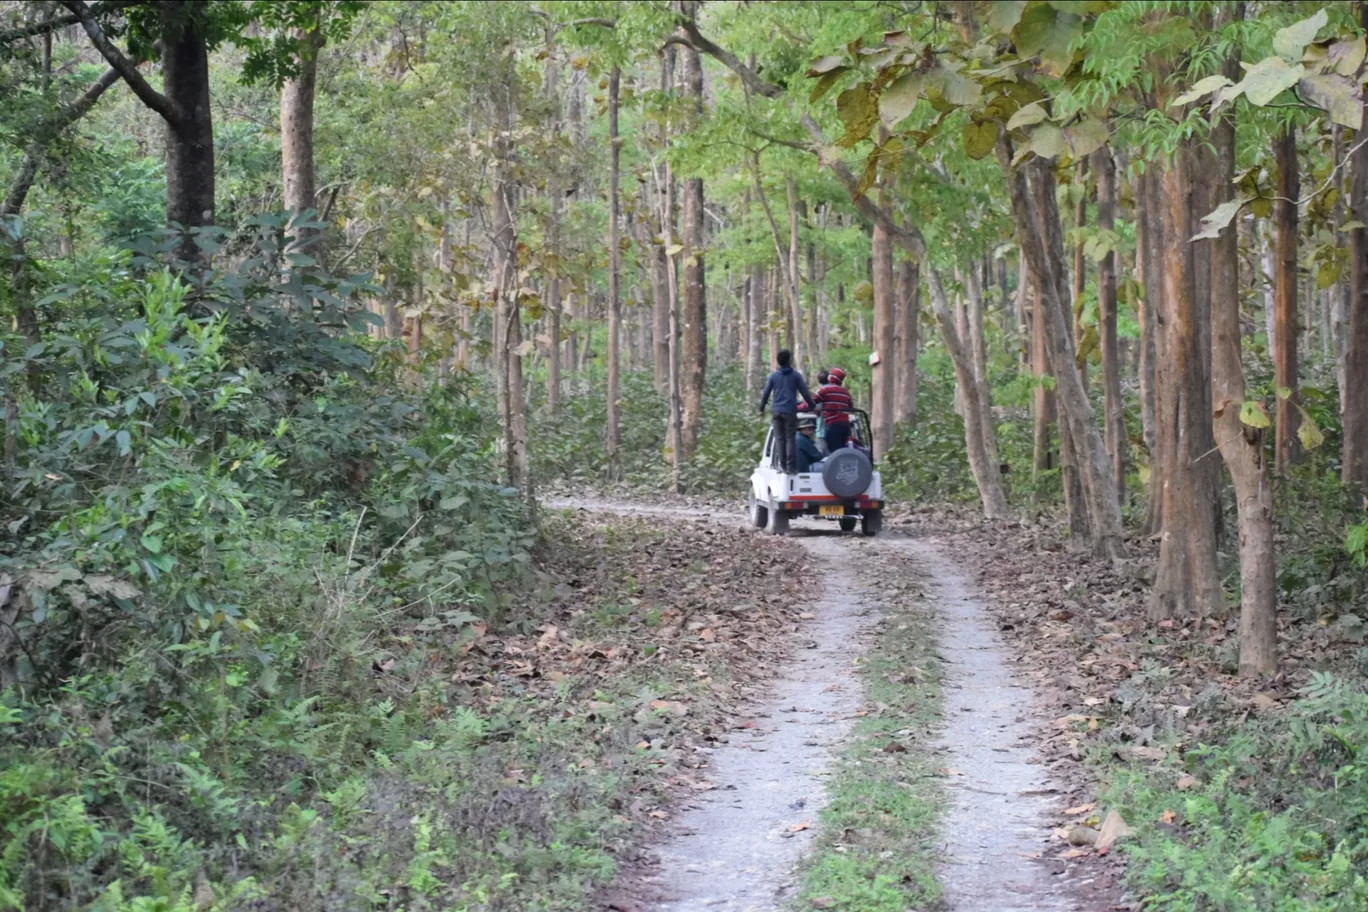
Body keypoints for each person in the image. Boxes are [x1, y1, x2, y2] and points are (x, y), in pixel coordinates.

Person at [758, 349, 814, 474]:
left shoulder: (773, 376)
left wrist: (761, 408)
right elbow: (804, 392)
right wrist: (811, 405)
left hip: (776, 411)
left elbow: (766, 393)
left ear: (778, 361)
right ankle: (790, 467)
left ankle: (781, 466)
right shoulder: (795, 376)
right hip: (789, 411)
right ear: (789, 360)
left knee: (779, 439)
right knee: (790, 438)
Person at [812, 366, 854, 452]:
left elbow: (814, 400)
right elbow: (850, 407)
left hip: (832, 424)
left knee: (834, 451)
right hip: (845, 424)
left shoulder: (825, 389)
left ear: (832, 377)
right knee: (843, 449)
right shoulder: (845, 392)